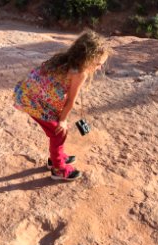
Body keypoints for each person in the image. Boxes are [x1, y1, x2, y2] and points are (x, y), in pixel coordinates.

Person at [13, 31, 109, 181]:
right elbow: (70, 101)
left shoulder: (65, 59)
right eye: (98, 64)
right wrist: (63, 121)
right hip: (33, 102)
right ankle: (58, 169)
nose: (99, 68)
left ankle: (56, 157)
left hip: (29, 95)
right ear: (87, 59)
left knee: (57, 130)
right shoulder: (79, 73)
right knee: (59, 132)